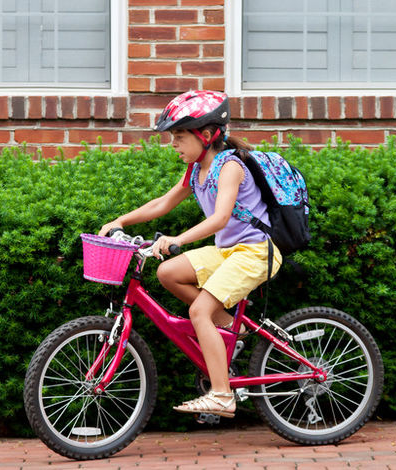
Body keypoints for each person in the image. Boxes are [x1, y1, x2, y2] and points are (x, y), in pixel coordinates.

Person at [98, 90, 282, 418]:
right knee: (168, 273)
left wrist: (177, 239)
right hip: (228, 252)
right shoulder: (196, 171)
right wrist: (120, 220)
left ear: (207, 135)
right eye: (173, 137)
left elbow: (220, 218)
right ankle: (231, 328)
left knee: (198, 312)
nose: (174, 144)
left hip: (254, 252)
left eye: (180, 137)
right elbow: (163, 203)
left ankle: (222, 395)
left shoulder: (230, 167)